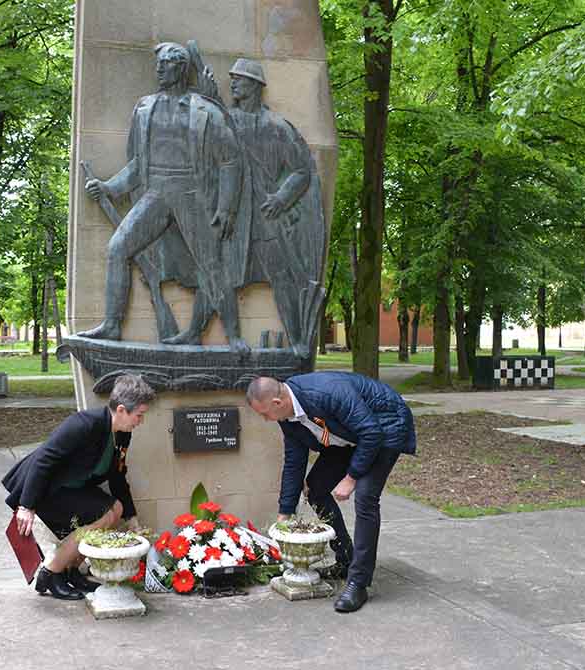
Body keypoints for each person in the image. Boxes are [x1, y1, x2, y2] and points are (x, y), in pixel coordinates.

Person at [81, 42, 248, 351]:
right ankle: (112, 325)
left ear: (181, 69)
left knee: (211, 266)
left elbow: (230, 160)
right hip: (156, 193)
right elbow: (138, 165)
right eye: (158, 63)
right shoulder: (145, 108)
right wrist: (110, 187)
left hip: (191, 194)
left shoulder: (204, 111)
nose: (158, 68)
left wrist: (226, 208)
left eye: (166, 63)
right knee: (118, 248)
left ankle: (234, 336)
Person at [246, 372, 416, 612]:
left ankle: (358, 582)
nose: (265, 419)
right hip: (350, 435)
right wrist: (285, 512)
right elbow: (294, 462)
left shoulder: (328, 392)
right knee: (316, 489)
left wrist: (351, 477)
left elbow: (371, 432)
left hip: (384, 426)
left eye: (264, 414)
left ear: (277, 403)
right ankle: (346, 558)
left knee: (366, 497)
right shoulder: (287, 417)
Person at [1, 374, 156, 600]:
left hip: (72, 490)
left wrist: (132, 518)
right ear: (121, 410)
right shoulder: (84, 423)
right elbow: (45, 460)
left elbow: (118, 476)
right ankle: (50, 572)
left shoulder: (122, 435)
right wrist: (26, 506)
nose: (140, 421)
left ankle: (71, 570)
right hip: (47, 489)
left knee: (117, 509)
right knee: (103, 516)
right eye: (139, 415)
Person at [227, 58, 325, 357]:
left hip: (266, 216)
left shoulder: (277, 127)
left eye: (239, 79)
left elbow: (301, 171)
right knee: (222, 278)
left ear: (255, 86)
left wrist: (281, 199)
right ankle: (230, 339)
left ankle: (297, 340)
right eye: (231, 79)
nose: (232, 84)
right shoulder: (226, 120)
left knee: (281, 279)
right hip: (234, 215)